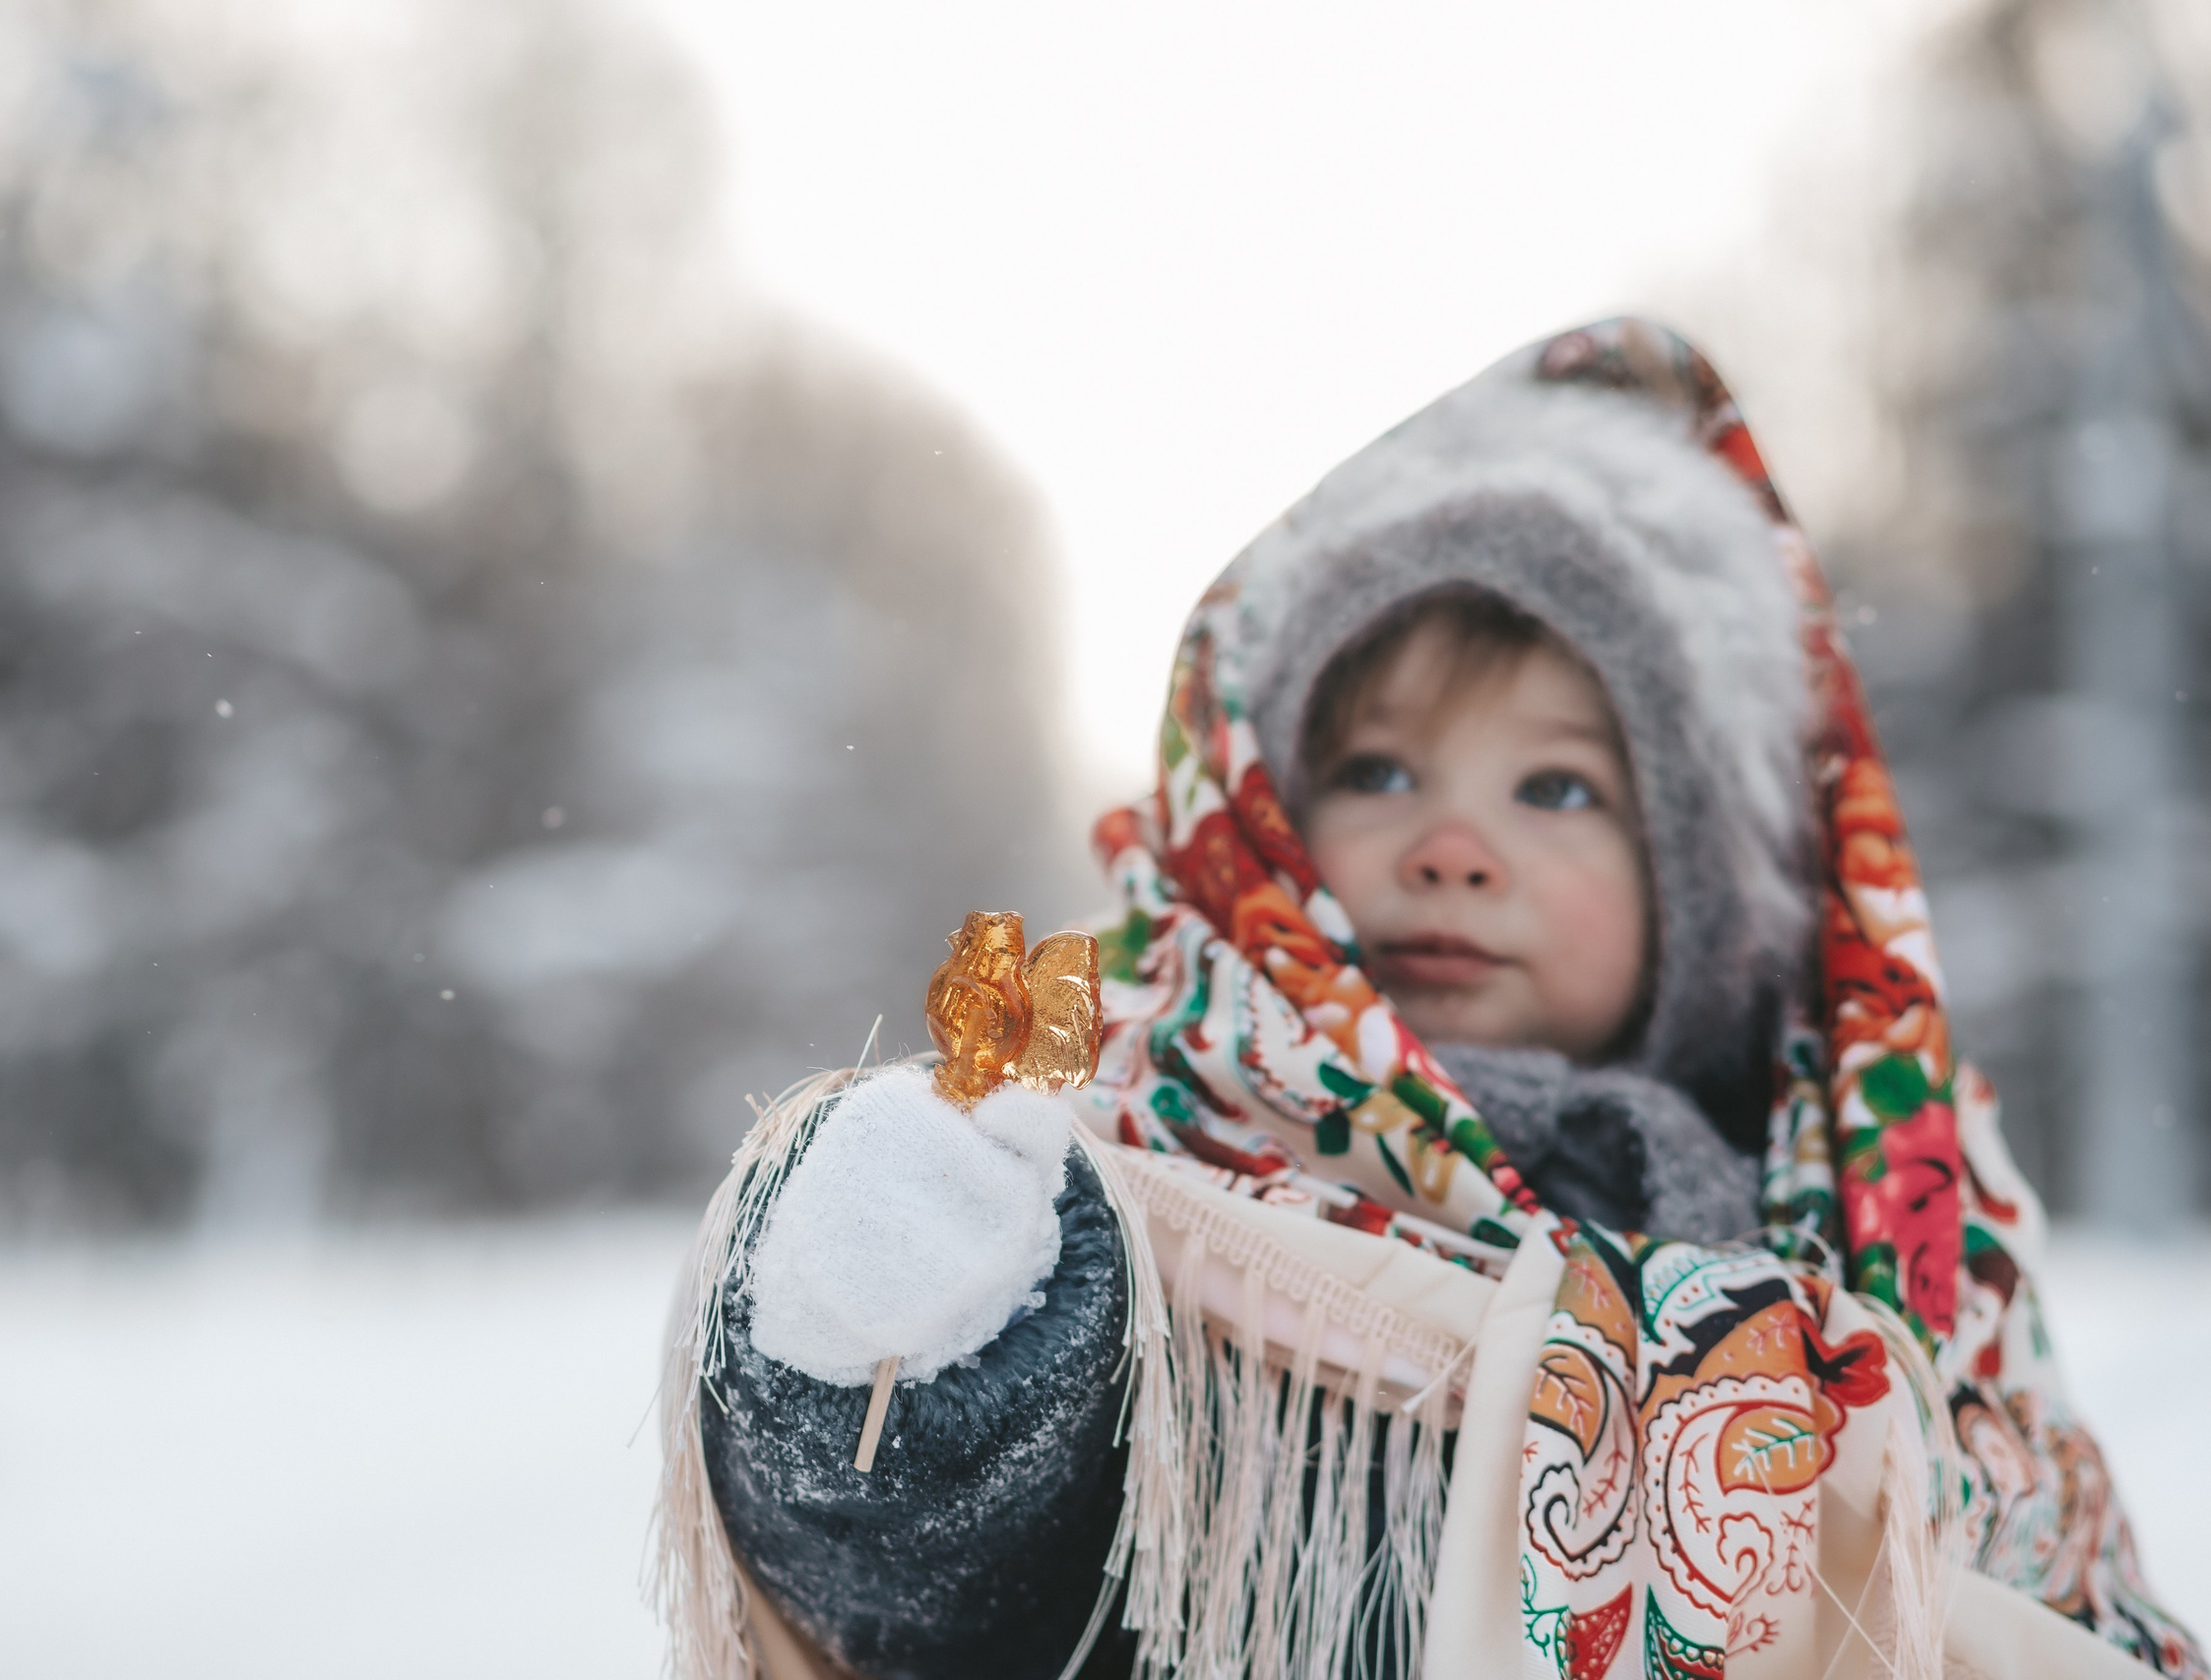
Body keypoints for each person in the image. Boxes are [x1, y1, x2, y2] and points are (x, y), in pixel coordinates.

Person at [656, 321, 2203, 1680]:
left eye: (1558, 787)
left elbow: (2045, 1613)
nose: (1453, 848)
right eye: (1379, 770)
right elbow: (934, 1604)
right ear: (1261, 824)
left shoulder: (1893, 1243)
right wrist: (911, 1357)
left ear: (1706, 892)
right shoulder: (1135, 1173)